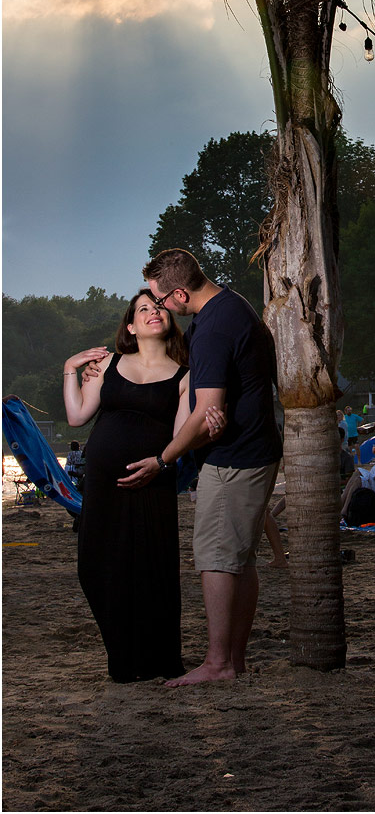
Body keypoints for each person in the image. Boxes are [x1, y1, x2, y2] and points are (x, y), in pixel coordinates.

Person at [121, 248, 283, 687]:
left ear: (178, 292)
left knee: (215, 558)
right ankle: (234, 659)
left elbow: (208, 412)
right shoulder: (233, 305)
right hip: (255, 450)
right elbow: (215, 398)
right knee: (240, 558)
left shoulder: (210, 329)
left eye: (159, 299)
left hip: (235, 457)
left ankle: (218, 663)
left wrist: (162, 459)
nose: (159, 307)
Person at [63, 291, 217, 683]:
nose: (153, 311)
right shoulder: (109, 364)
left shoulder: (185, 375)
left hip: (153, 480)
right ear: (131, 326)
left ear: (170, 320)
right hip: (102, 483)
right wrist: (69, 367)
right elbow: (78, 415)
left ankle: (156, 662)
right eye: (143, 309)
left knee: (152, 569)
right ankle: (122, 656)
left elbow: (183, 434)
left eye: (160, 306)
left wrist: (175, 453)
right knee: (96, 566)